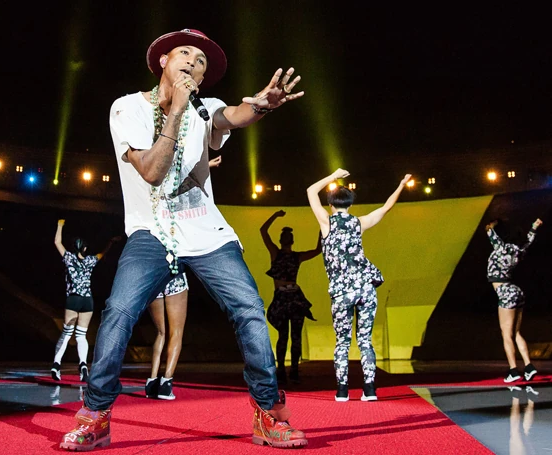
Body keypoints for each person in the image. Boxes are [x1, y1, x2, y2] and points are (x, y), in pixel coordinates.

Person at [59, 29, 308, 451]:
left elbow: (233, 115)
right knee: (119, 311)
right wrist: (176, 109)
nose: (193, 61)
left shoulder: (204, 108)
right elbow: (152, 172)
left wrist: (261, 105)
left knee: (249, 308)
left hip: (206, 231)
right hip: (151, 231)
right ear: (163, 61)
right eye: (185, 53)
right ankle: (96, 415)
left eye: (201, 61)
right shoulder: (127, 108)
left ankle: (268, 413)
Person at [307, 169, 411, 402]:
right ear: (350, 205)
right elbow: (386, 207)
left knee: (342, 342)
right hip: (365, 288)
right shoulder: (359, 223)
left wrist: (333, 176)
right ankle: (370, 390)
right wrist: (402, 185)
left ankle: (342, 391)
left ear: (330, 205)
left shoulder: (326, 222)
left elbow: (311, 191)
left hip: (342, 292)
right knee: (365, 341)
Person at [145, 156, 222, 401]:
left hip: (154, 273)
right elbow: (185, 185)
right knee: (176, 332)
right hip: (175, 273)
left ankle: (152, 380)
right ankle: (166, 383)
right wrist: (206, 166)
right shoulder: (179, 213)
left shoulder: (151, 207)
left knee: (161, 332)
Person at [52, 219, 119, 382]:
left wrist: (60, 225)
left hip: (73, 299)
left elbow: (57, 242)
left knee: (67, 333)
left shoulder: (69, 258)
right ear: (85, 248)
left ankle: (56, 365)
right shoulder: (90, 261)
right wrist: (110, 242)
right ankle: (83, 365)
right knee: (81, 335)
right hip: (87, 301)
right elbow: (102, 253)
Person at [260, 210, 321, 384]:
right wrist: (321, 226)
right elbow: (263, 231)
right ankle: (286, 369)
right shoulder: (281, 254)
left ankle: (289, 369)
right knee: (289, 335)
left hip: (290, 298)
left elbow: (318, 250)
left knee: (290, 335)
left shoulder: (285, 255)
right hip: (288, 299)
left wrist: (322, 227)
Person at [486, 217, 543, 383]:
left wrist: (496, 222)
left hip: (505, 292)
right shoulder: (520, 250)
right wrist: (534, 227)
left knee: (506, 334)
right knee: (516, 332)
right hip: (516, 291)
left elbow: (488, 229)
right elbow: (529, 240)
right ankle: (529, 366)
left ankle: (513, 370)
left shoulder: (501, 247)